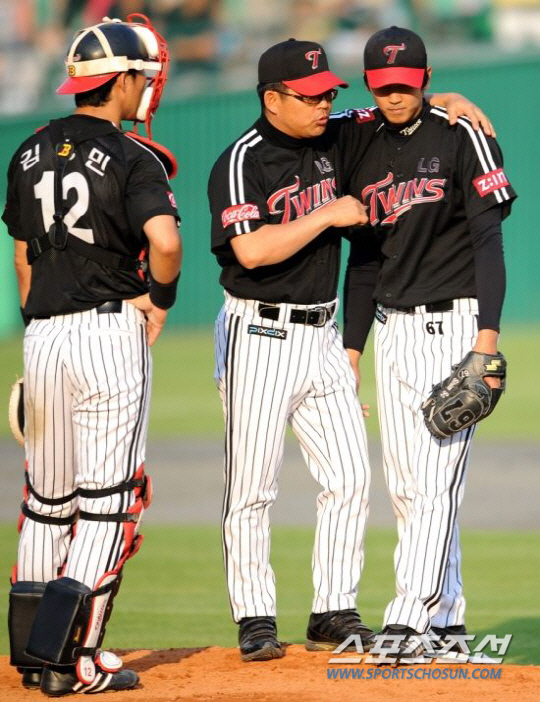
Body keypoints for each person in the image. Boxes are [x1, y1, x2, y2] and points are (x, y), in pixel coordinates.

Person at [207, 37, 493, 663]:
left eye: (328, 93)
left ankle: (332, 610)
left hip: (325, 336)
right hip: (258, 332)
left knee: (351, 478)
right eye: (310, 96)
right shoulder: (241, 160)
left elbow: (405, 105)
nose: (324, 104)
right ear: (272, 99)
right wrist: (326, 215)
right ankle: (255, 616)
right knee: (252, 486)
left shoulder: (339, 134)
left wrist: (450, 98)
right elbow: (251, 250)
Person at [3, 15, 182, 696]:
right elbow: (165, 242)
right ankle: (71, 660)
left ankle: (31, 659)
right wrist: (159, 300)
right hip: (107, 334)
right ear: (124, 79)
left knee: (47, 502)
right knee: (109, 505)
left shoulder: (27, 151)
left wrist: (39, 329)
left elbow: (24, 257)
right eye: (142, 77)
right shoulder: (133, 156)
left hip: (43, 334)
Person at [343, 26, 516, 664]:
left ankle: (407, 619)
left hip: (455, 326)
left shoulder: (462, 133)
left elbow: (488, 241)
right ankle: (448, 623)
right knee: (409, 490)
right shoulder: (361, 140)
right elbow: (365, 261)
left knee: (437, 484)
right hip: (392, 330)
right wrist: (352, 351)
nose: (394, 95)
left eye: (407, 83)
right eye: (383, 85)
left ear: (426, 78)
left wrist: (486, 342)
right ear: (369, 84)